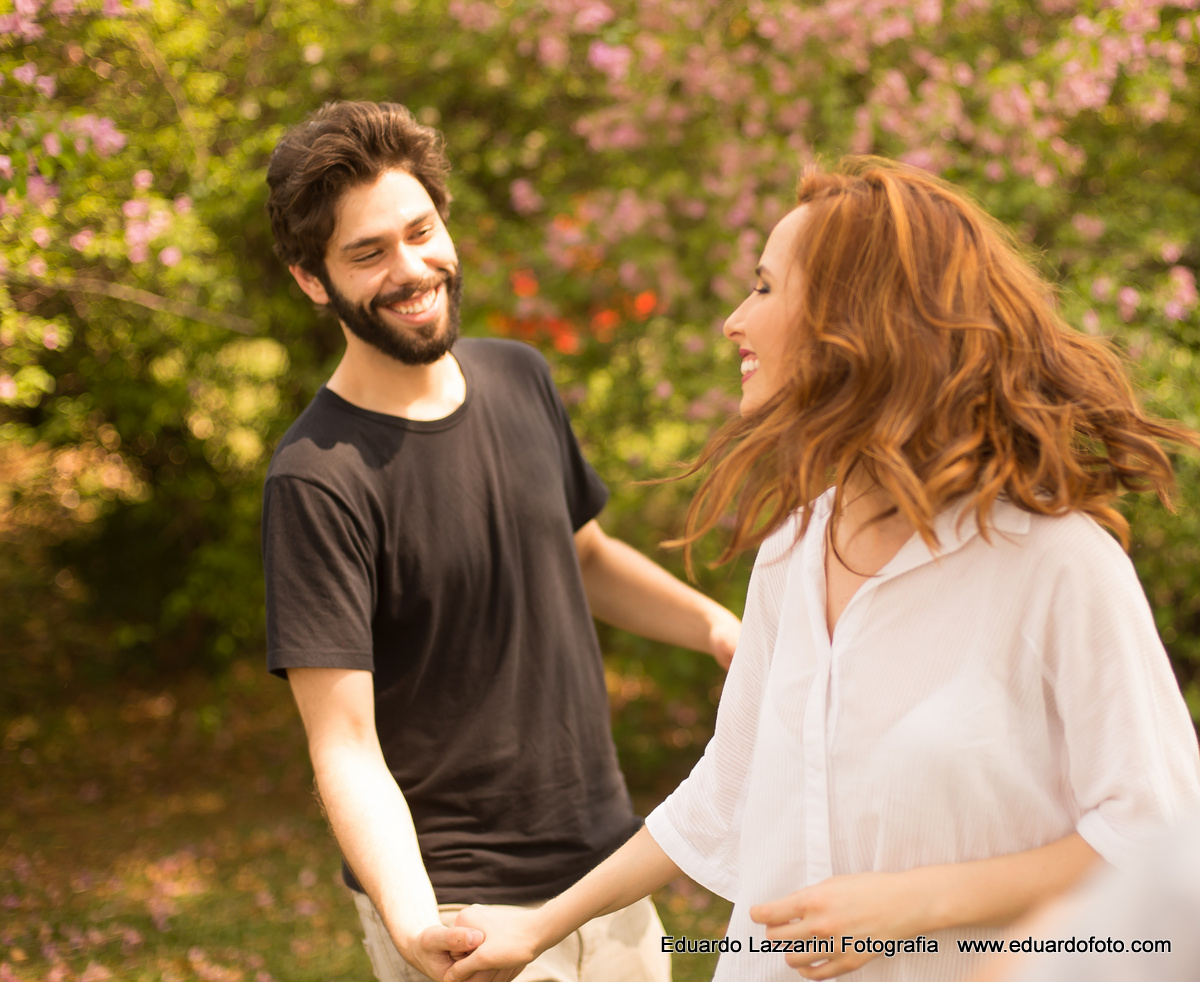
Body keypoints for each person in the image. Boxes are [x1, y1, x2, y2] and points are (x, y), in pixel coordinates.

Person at [441, 158, 1200, 982]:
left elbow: (1155, 834)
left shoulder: (1057, 565)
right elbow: (723, 793)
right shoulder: (794, 548)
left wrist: (921, 902)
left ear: (857, 322)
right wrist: (540, 927)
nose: (735, 320)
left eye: (765, 289)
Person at [260, 100, 742, 982]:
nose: (412, 270)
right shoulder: (317, 476)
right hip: (464, 909)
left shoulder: (519, 376)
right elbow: (343, 741)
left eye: (420, 231)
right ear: (311, 280)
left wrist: (716, 628)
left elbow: (582, 556)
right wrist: (412, 922)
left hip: (608, 874)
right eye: (368, 254)